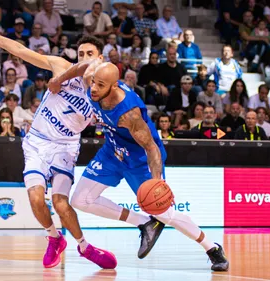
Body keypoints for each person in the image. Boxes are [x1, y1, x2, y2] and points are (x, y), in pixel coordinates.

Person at [0, 12, 118, 269]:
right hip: (37, 142)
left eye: (90, 54)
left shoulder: (105, 94)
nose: (85, 59)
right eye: (81, 54)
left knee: (60, 203)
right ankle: (54, 238)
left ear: (101, 59)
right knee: (34, 198)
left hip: (65, 147)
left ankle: (85, 247)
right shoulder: (61, 66)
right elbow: (19, 50)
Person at [48, 62, 229, 271]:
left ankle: (212, 249)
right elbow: (84, 66)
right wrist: (58, 80)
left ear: (114, 86)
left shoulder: (129, 114)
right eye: (94, 83)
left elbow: (152, 149)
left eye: (101, 85)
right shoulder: (93, 80)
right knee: (80, 200)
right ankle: (144, 223)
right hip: (112, 151)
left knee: (164, 213)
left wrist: (157, 183)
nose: (94, 89)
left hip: (139, 159)